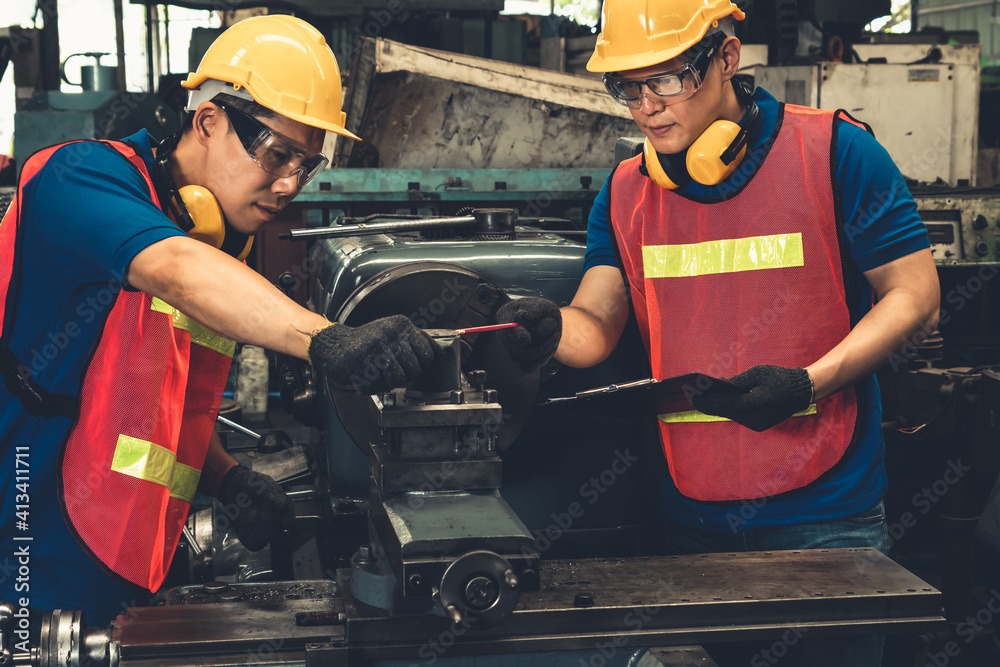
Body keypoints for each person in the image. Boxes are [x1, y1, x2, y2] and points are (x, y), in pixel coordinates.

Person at [503, 1, 940, 665]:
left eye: (668, 78)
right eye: (627, 86)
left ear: (727, 58)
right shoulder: (625, 193)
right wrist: (542, 324)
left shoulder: (835, 151)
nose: (647, 105)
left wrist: (806, 383)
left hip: (826, 515)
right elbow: (595, 328)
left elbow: (915, 295)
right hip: (692, 516)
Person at [0, 15, 438, 628]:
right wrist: (323, 337)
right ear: (208, 120)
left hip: (128, 550)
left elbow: (155, 402)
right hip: (28, 540)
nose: (289, 184)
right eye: (278, 152)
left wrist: (229, 480)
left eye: (305, 165)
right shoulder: (78, 178)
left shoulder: (221, 238)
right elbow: (174, 268)